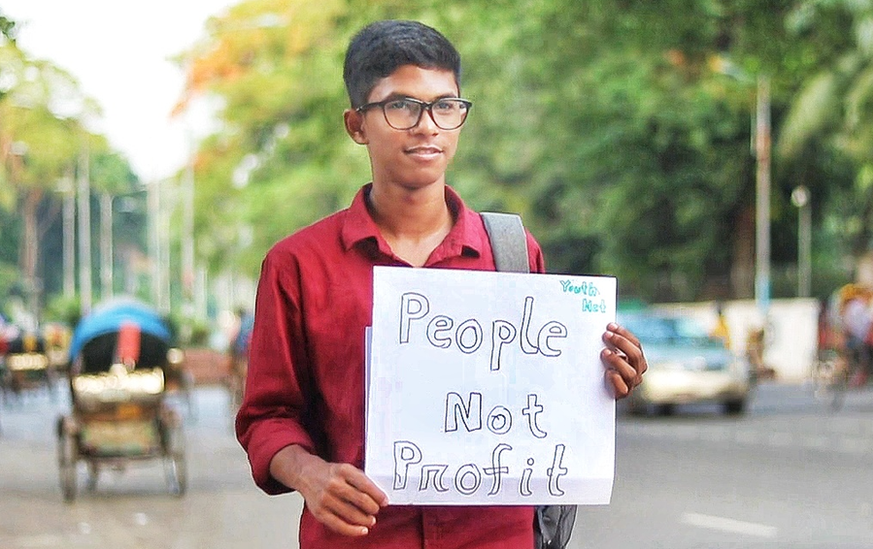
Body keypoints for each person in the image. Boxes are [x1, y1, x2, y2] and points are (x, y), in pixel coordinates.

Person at [235, 20, 648, 549]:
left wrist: (605, 378)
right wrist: (309, 474)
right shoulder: (298, 265)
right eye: (401, 106)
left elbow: (546, 404)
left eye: (445, 105)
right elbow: (267, 416)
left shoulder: (515, 254)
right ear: (356, 124)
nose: (427, 125)